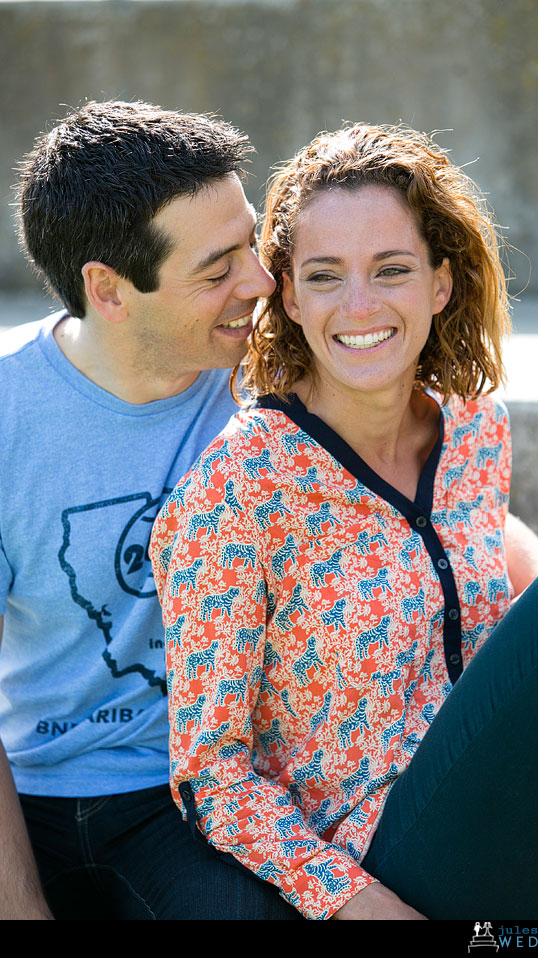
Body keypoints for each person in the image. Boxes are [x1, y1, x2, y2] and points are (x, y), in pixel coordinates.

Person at [151, 123, 538, 920]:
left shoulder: (473, 430)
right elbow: (211, 775)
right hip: (380, 861)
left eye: (391, 270)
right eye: (325, 276)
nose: (358, 306)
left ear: (440, 282)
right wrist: (355, 904)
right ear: (288, 296)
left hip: (519, 806)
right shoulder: (241, 487)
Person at [0, 99, 276, 919]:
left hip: (192, 796)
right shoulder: (8, 414)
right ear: (109, 290)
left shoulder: (274, 379)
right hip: (29, 792)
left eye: (253, 241)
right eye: (217, 267)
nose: (260, 282)